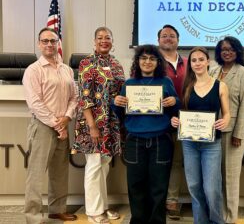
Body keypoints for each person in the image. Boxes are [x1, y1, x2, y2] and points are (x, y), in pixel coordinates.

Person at [113, 44, 180, 224]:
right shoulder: (129, 84)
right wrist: (116, 103)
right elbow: (119, 114)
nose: (147, 62)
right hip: (135, 141)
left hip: (161, 141)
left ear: (158, 62)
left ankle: (157, 222)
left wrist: (175, 100)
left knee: (159, 187)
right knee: (136, 186)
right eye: (143, 58)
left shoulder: (166, 82)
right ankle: (138, 221)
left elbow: (177, 110)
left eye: (152, 58)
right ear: (137, 61)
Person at [22, 27, 78, 223]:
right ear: (39, 44)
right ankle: (33, 216)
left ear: (58, 44)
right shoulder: (33, 70)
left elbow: (74, 97)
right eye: (45, 41)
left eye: (53, 41)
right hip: (43, 127)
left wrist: (68, 118)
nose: (49, 44)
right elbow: (35, 103)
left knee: (60, 171)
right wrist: (58, 124)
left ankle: (57, 209)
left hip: (63, 124)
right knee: (36, 174)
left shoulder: (67, 70)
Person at [171, 47, 230, 224]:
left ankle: (216, 221)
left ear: (208, 62)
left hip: (212, 144)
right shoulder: (187, 86)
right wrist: (176, 121)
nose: (197, 63)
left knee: (212, 189)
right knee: (194, 186)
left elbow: (227, 113)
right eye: (194, 60)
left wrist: (225, 121)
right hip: (189, 144)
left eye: (201, 59)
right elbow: (184, 114)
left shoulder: (220, 85)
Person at [72, 26, 124, 224]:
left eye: (108, 37)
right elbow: (84, 98)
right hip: (92, 123)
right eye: (100, 38)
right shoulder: (87, 63)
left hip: (111, 122)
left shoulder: (116, 64)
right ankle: (94, 212)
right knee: (94, 165)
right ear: (94, 42)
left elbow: (121, 91)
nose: (104, 41)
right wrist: (93, 126)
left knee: (104, 166)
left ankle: (103, 206)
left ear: (112, 41)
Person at [209, 36, 244, 223]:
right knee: (214, 177)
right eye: (223, 49)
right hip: (210, 131)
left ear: (237, 52)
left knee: (230, 177)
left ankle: (230, 218)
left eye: (231, 49)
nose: (227, 52)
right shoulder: (212, 70)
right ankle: (217, 215)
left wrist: (239, 133)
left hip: (232, 132)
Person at [157, 24, 187, 220]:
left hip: (185, 119)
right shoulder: (151, 61)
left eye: (172, 36)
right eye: (164, 36)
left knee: (176, 161)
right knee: (158, 162)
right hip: (157, 120)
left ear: (178, 40)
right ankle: (157, 200)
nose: (168, 38)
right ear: (158, 40)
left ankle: (172, 200)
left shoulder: (189, 62)